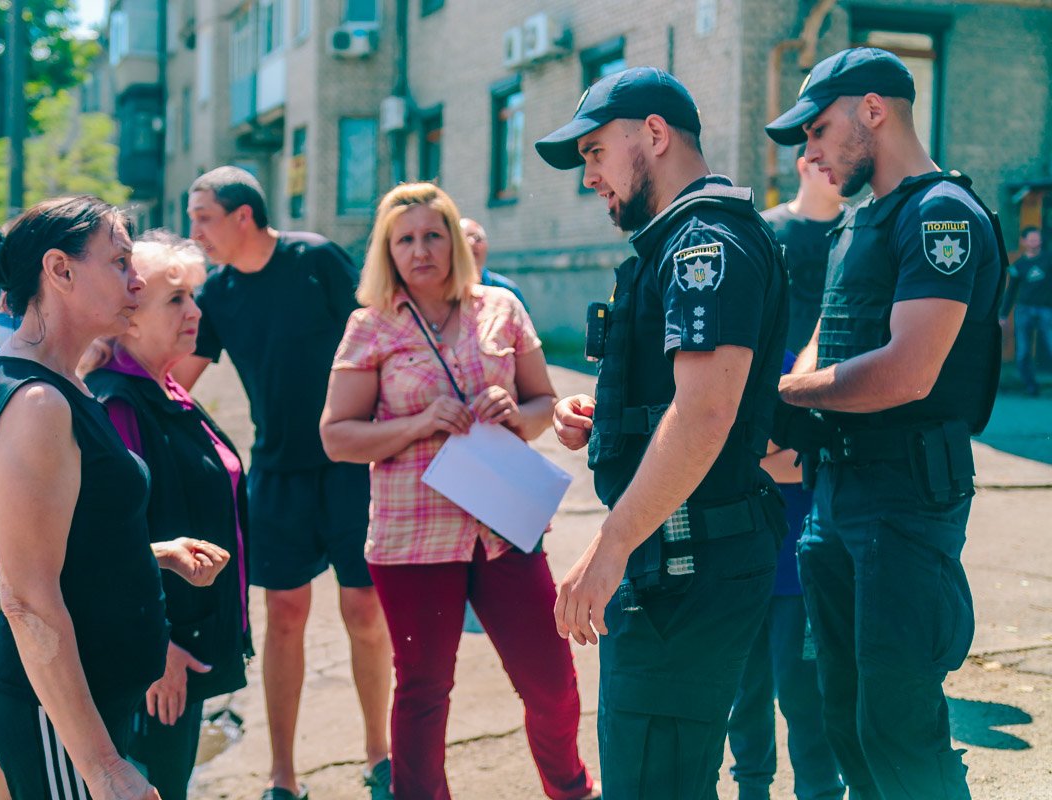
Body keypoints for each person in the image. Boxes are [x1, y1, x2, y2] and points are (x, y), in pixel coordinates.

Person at [534, 66, 789, 798]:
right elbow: (687, 398)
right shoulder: (684, 238)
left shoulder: (706, 241)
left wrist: (610, 545)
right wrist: (607, 416)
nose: (590, 177)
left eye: (594, 153)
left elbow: (707, 414)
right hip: (681, 555)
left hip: (686, 566)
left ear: (654, 133)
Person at [766, 47, 1006, 798]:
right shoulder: (857, 223)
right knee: (846, 721)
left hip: (903, 505)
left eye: (817, 130)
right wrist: (789, 402)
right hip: (835, 501)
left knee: (901, 734)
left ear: (873, 111)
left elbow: (908, 371)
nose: (808, 153)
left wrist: (780, 395)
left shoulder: (942, 215)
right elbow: (825, 336)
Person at [320, 182, 598, 800]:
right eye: (405, 239)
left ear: (455, 240)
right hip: (411, 537)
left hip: (502, 525)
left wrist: (514, 413)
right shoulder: (371, 325)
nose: (420, 250)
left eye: (432, 235)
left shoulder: (501, 307)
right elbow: (337, 437)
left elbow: (541, 405)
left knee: (550, 680)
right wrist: (420, 423)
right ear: (387, 252)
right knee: (423, 690)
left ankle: (571, 787)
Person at [0, 196, 231, 799]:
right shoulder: (37, 404)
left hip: (92, 705)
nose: (136, 280)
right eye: (120, 262)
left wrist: (152, 553)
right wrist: (104, 768)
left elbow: (74, 543)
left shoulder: (63, 382)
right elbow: (27, 599)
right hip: (61, 726)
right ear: (60, 271)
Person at [172, 166, 392, 800]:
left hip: (351, 464)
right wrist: (111, 364)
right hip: (277, 473)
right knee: (285, 615)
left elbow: (376, 333)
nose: (196, 234)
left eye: (203, 218)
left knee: (363, 610)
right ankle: (283, 776)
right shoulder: (216, 295)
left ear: (244, 216)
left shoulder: (316, 258)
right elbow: (178, 379)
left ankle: (379, 754)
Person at [81, 231, 254, 800]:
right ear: (128, 318)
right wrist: (159, 648)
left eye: (193, 296)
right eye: (175, 299)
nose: (196, 311)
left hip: (190, 646)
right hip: (157, 663)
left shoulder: (168, 389)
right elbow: (107, 544)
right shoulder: (118, 403)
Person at [726, 348, 844, 800]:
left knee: (803, 694)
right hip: (739, 571)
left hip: (796, 570)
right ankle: (751, 787)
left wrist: (737, 458)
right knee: (745, 692)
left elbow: (798, 462)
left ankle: (820, 789)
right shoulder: (717, 362)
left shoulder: (796, 367)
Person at [762, 148, 846, 353]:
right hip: (775, 373)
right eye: (834, 160)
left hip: (838, 372)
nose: (843, 169)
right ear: (804, 167)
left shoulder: (860, 229)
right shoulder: (764, 229)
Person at [1000, 226, 1052, 396]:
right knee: (1023, 353)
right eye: (1030, 239)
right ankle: (1031, 387)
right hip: (1023, 311)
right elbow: (1011, 291)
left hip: (1046, 310)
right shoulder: (1018, 266)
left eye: (1036, 239)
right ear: (1023, 241)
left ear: (1041, 241)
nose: (1034, 242)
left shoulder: (1049, 259)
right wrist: (1003, 314)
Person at [459, 217, 529, 309]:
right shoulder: (445, 291)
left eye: (477, 238)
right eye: (463, 239)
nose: (471, 242)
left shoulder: (506, 290)